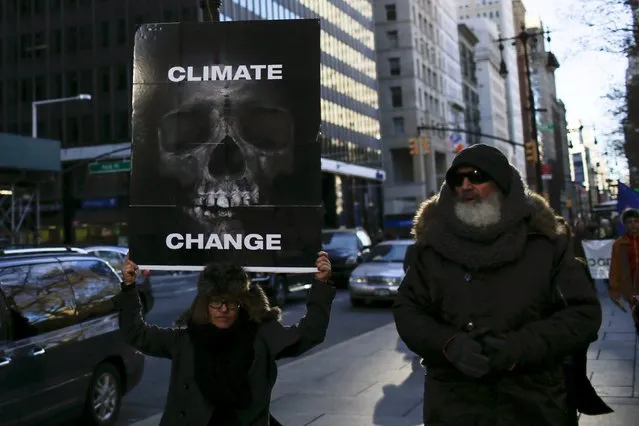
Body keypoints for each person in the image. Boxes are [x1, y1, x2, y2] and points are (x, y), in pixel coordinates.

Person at [392, 144, 605, 426]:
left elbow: (582, 314)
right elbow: (408, 310)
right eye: (457, 179)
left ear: (502, 183)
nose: (466, 186)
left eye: (477, 176)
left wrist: (518, 348)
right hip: (455, 405)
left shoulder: (546, 243)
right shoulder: (431, 248)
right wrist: (449, 344)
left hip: (534, 405)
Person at [114, 251, 335, 426]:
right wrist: (129, 287)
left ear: (242, 304)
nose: (224, 309)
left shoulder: (261, 335)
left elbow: (310, 333)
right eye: (216, 302)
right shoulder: (185, 339)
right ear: (205, 305)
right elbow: (137, 333)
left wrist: (321, 285)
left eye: (231, 302)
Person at [609, 207, 639, 331]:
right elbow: (615, 268)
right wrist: (614, 289)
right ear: (625, 225)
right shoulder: (619, 244)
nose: (633, 225)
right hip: (631, 289)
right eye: (629, 222)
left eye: (636, 221)